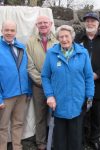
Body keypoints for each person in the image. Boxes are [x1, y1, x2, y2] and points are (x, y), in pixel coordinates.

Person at [41, 25, 94, 150]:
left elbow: (88, 77)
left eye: (67, 36)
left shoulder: (83, 53)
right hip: (57, 103)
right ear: (57, 38)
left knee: (75, 140)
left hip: (77, 103)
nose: (64, 39)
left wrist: (89, 97)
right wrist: (49, 95)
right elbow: (45, 76)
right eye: (61, 37)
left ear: (72, 37)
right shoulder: (51, 53)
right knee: (59, 141)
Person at [75, 12, 100, 150]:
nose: (90, 23)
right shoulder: (78, 38)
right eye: (87, 21)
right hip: (80, 83)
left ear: (98, 23)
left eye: (93, 21)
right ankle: (80, 139)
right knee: (81, 112)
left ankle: (94, 138)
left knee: (96, 113)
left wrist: (97, 74)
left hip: (98, 83)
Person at [26, 15, 57, 150]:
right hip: (38, 86)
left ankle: (55, 141)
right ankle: (41, 143)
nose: (43, 25)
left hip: (56, 85)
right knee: (40, 115)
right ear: (36, 25)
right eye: (40, 23)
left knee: (56, 114)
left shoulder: (58, 40)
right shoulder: (30, 42)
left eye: (45, 22)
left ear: (50, 24)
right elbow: (29, 66)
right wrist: (43, 81)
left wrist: (52, 82)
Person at [0, 20, 30, 150]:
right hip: (6, 95)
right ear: (2, 31)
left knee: (18, 123)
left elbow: (26, 69)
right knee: (2, 126)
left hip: (22, 94)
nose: (9, 33)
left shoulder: (21, 46)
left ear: (16, 32)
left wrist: (28, 90)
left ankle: (17, 147)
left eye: (12, 30)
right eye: (6, 30)